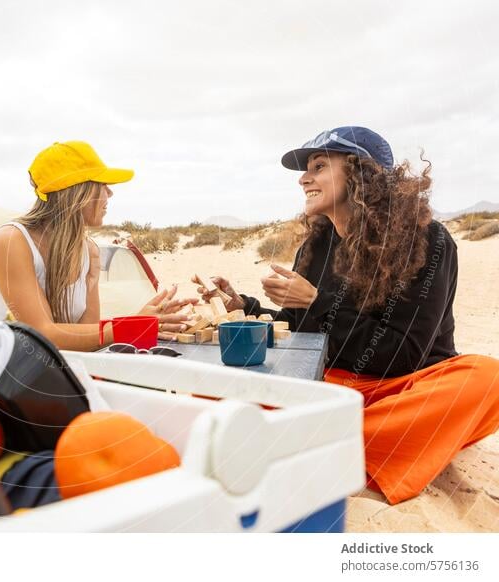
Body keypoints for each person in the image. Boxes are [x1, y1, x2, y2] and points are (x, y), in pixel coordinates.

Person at [197, 126, 499, 504]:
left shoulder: (427, 241)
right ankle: (336, 439)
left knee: (486, 378)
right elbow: (301, 333)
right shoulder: (316, 245)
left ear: (361, 174)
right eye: (306, 169)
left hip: (404, 390)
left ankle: (308, 439)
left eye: (319, 166)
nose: (304, 179)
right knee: (211, 390)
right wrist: (246, 307)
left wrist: (316, 301)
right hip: (333, 386)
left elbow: (404, 355)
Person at [0, 140, 196, 351]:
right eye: (102, 185)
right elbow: (42, 335)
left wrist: (137, 325)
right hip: (5, 381)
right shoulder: (12, 242)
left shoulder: (87, 250)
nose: (110, 193)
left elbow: (88, 341)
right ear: (78, 191)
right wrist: (130, 326)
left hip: (58, 377)